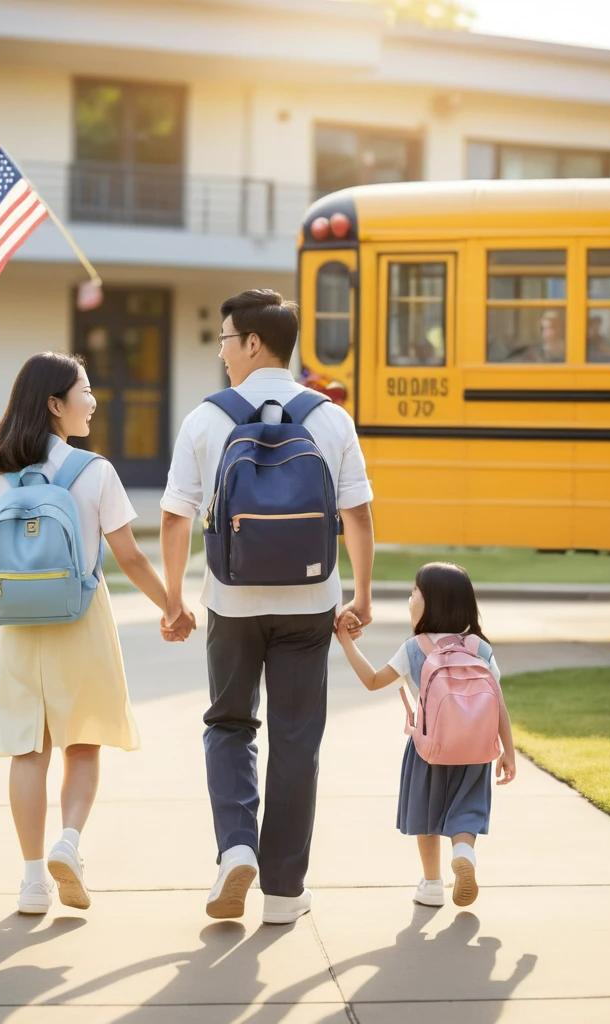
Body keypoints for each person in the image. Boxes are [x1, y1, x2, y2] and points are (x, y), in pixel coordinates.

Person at [0, 351, 195, 916]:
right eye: (85, 389)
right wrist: (173, 608)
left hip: (15, 627)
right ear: (56, 404)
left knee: (28, 749)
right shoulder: (94, 471)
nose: (94, 399)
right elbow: (129, 557)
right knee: (81, 741)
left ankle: (33, 881)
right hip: (80, 618)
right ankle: (70, 842)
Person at [160, 289, 375, 925]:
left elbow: (174, 517)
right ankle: (284, 892)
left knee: (229, 724)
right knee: (297, 740)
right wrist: (362, 594)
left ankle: (234, 848)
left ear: (253, 343)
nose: (223, 352)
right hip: (311, 602)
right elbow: (358, 514)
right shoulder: (331, 417)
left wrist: (174, 601)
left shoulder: (205, 418)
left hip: (231, 599)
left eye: (226, 339)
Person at [334, 561, 517, 909]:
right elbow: (499, 703)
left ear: (432, 601)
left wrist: (345, 641)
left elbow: (373, 681)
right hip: (476, 750)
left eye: (415, 591)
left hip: (428, 748)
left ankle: (432, 884)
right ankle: (464, 853)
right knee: (466, 810)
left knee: (427, 815)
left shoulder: (415, 648)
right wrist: (507, 751)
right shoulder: (480, 648)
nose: (410, 597)